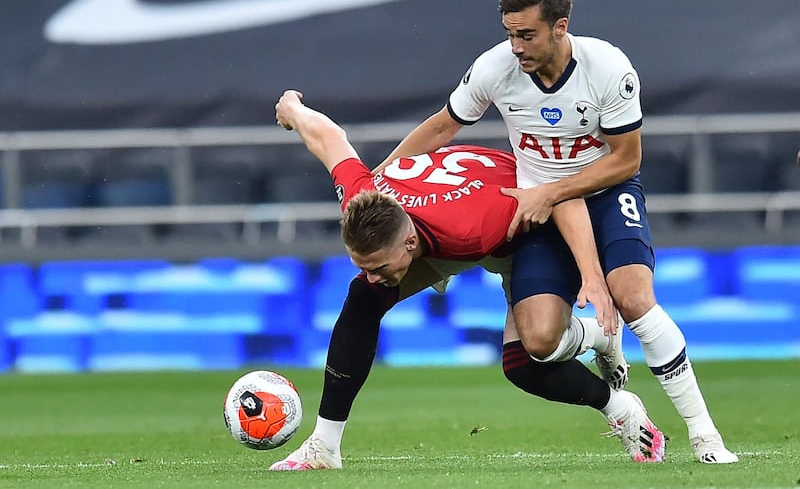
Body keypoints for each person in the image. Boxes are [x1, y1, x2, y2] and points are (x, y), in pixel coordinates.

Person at [374, 0, 737, 464]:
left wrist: (553, 190)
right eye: (510, 34)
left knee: (633, 296)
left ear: (560, 27)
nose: (516, 47)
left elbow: (627, 159)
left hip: (606, 193)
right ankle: (600, 337)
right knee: (540, 342)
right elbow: (442, 127)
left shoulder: (607, 67)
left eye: (527, 35)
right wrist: (380, 180)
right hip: (537, 208)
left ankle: (704, 436)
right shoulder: (494, 68)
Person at [267, 90, 666, 470]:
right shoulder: (363, 198)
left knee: (530, 356)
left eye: (379, 266)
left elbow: (558, 195)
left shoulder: (476, 225)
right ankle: (324, 446)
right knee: (363, 297)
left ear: (407, 242)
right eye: (363, 262)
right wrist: (294, 110)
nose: (371, 272)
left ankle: (602, 350)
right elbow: (329, 138)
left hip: (530, 222)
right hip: (445, 224)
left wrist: (591, 275)